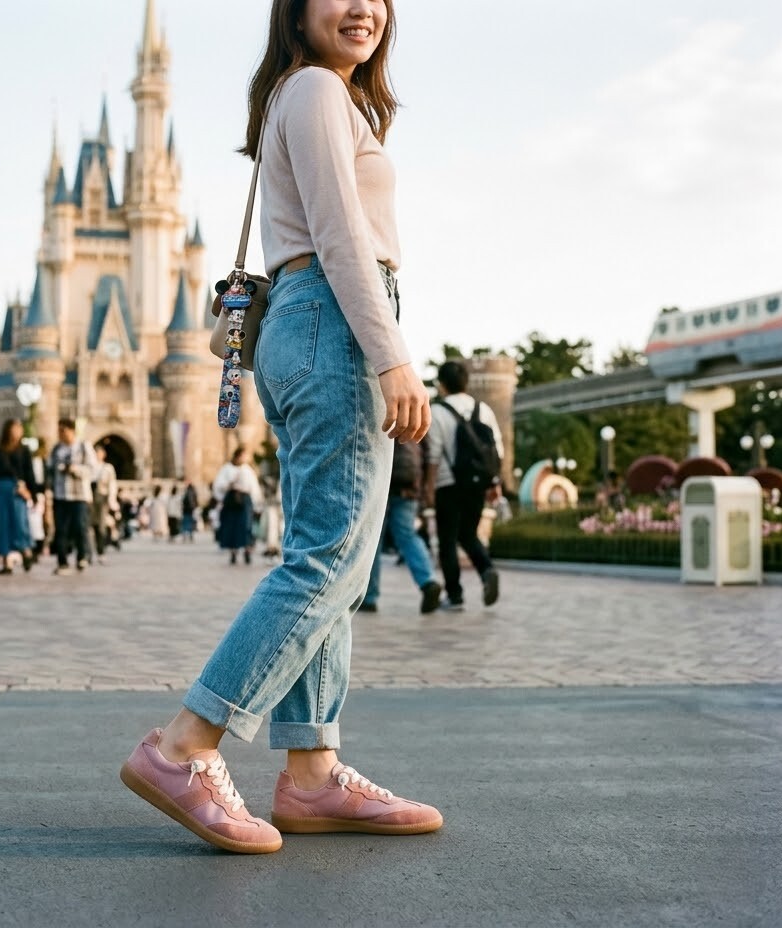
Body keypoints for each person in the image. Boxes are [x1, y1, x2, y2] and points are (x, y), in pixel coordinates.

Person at [120, 0, 440, 855]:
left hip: (307, 319)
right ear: (296, 13)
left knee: (324, 550)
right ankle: (183, 746)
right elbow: (342, 234)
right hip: (336, 316)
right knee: (330, 559)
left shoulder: (306, 94)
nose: (363, 7)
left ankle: (312, 772)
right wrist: (391, 353)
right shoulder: (317, 91)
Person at [423, 360, 504, 610]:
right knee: (468, 534)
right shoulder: (483, 409)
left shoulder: (438, 411)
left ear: (442, 384)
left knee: (447, 540)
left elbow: (434, 455)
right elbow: (497, 448)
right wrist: (495, 482)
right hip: (477, 483)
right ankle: (487, 570)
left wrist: (429, 488)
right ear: (466, 382)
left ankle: (455, 595)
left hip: (448, 484)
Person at [361, 437, 442, 614]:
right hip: (409, 483)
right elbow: (427, 453)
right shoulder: (419, 418)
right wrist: (423, 487)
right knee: (407, 535)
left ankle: (369, 597)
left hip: (381, 480)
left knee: (374, 538)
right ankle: (428, 581)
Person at [0, 419, 35, 575]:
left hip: (17, 491)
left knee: (19, 523)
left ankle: (25, 551)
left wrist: (32, 493)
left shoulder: (23, 451)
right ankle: (6, 562)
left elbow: (29, 473)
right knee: (1, 525)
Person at [48, 418, 96, 574]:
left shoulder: (83, 447)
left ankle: (82, 557)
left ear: (72, 430)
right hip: (60, 495)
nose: (60, 434)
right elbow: (49, 469)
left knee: (80, 527)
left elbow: (93, 470)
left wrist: (75, 469)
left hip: (79, 495)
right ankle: (62, 562)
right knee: (60, 530)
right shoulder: (56, 449)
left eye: (63, 430)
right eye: (59, 431)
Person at [212, 447, 263, 565]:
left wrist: (257, 503)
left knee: (246, 526)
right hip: (231, 500)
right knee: (231, 526)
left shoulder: (247, 469)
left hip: (245, 500)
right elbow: (218, 485)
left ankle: (247, 551)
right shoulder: (226, 469)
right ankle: (233, 552)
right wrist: (229, 484)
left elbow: (254, 487)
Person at [90, 444, 119, 564]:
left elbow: (112, 484)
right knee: (88, 526)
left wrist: (112, 499)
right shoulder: (89, 467)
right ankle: (87, 553)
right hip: (89, 498)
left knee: (101, 526)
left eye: (99, 453)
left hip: (102, 498)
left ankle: (101, 551)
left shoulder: (108, 468)